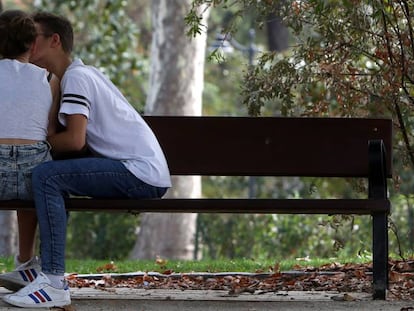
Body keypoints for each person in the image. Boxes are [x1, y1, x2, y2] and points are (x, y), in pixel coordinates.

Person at [2, 11, 171, 308]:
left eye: (34, 37)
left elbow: (74, 140)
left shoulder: (77, 78)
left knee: (45, 175)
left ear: (54, 41)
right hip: (133, 168)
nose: (29, 44)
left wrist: (33, 144)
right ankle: (36, 269)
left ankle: (53, 282)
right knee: (48, 177)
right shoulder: (68, 77)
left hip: (137, 172)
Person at [0, 9, 60, 292]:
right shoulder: (49, 79)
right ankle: (25, 262)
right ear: (33, 45)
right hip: (32, 176)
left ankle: (24, 264)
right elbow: (48, 132)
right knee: (36, 172)